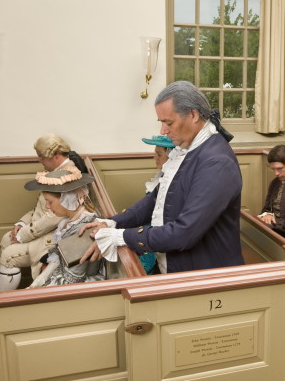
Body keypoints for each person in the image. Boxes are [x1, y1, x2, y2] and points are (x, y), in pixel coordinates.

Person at [79, 80, 244, 273]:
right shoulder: (189, 148)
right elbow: (156, 199)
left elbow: (184, 233)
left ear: (193, 115)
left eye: (169, 122)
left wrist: (121, 236)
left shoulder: (216, 162)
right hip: (179, 265)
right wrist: (113, 222)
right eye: (162, 122)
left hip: (204, 275)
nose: (163, 131)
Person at [0, 133, 86, 291]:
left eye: (41, 157)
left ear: (56, 155)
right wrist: (21, 223)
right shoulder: (56, 172)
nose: (39, 161)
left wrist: (24, 234)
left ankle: (2, 300)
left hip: (52, 235)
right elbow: (41, 206)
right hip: (40, 229)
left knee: (8, 255)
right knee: (6, 239)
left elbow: (55, 215)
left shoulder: (68, 175)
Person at [24, 168, 105, 287]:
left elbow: (71, 281)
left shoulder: (83, 229)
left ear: (67, 199)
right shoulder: (69, 221)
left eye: (50, 202)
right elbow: (58, 259)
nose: (47, 206)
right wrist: (35, 285)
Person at [137, 134, 175, 274]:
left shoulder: (173, 182)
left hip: (159, 234)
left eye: (159, 154)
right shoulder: (160, 177)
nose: (155, 158)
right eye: (155, 154)